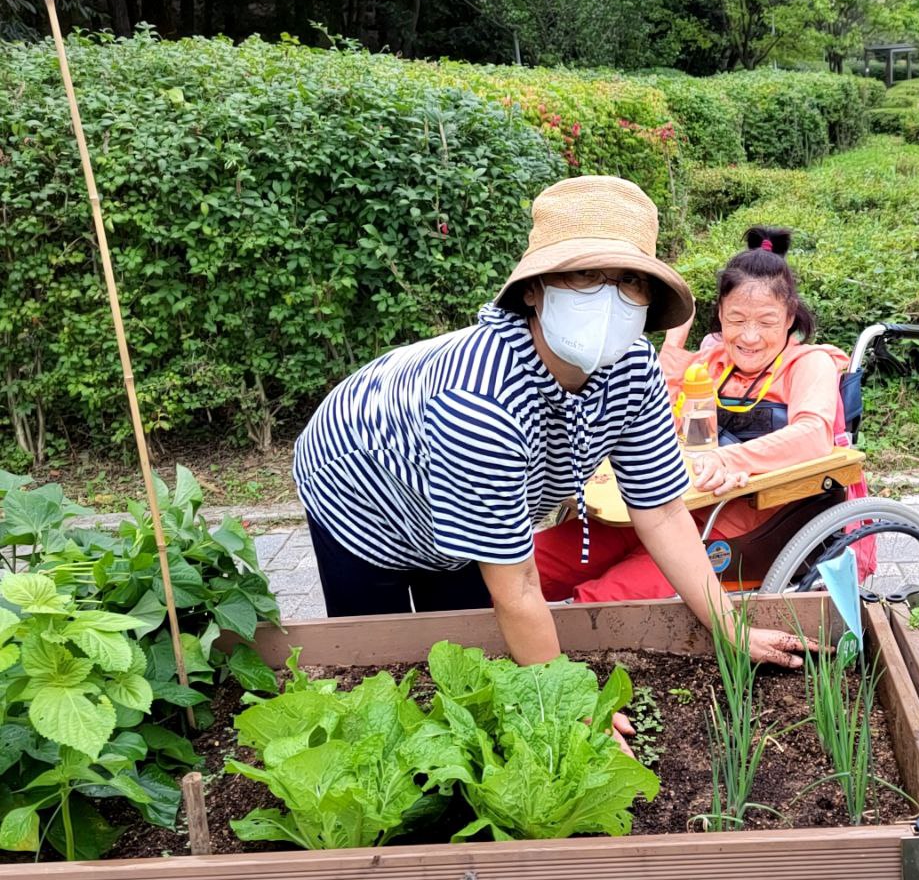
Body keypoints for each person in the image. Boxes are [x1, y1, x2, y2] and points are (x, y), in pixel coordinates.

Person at [293, 178, 812, 684]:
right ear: (535, 290)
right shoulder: (480, 402)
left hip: (446, 486)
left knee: (468, 654)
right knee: (379, 664)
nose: (608, 300)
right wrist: (577, 714)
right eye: (584, 276)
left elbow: (663, 510)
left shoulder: (633, 369)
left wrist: (731, 629)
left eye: (629, 281)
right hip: (359, 487)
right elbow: (517, 587)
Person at [535, 225, 871, 603]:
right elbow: (647, 411)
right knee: (537, 565)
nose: (749, 336)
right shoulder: (713, 361)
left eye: (766, 321)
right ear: (720, 315)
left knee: (605, 598)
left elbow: (813, 435)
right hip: (673, 504)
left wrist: (724, 458)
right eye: (737, 319)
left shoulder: (808, 364)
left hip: (745, 524)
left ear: (790, 317)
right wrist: (676, 336)